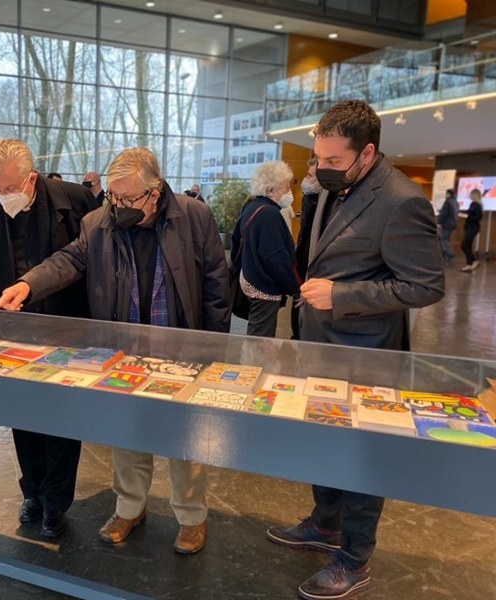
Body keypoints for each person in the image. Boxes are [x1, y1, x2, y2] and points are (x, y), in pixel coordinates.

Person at [0, 147, 231, 555]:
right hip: (125, 353)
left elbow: (216, 285)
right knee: (128, 435)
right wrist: (28, 284)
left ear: (155, 192)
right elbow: (67, 260)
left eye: (128, 198)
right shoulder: (97, 222)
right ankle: (129, 507)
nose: (118, 205)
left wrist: (213, 349)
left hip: (182, 348)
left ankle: (191, 516)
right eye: (113, 197)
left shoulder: (194, 217)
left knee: (185, 441)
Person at [266, 100, 444, 600]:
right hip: (321, 347)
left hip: (368, 354)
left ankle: (355, 558)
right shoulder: (331, 185)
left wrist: (342, 296)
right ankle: (325, 525)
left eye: (333, 161)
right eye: (317, 159)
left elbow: (425, 286)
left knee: (363, 455)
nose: (321, 169)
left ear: (367, 153)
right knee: (325, 442)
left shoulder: (402, 200)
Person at [0, 138, 96, 539]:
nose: (2, 196)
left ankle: (56, 501)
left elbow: (90, 263)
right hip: (9, 333)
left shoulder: (75, 201)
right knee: (22, 419)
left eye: (8, 188)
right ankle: (32, 490)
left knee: (63, 420)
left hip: (68, 328)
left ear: (31, 177)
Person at [229, 161, 300, 338]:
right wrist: (296, 288)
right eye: (285, 187)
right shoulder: (269, 214)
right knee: (261, 338)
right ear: (270, 191)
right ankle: (255, 365)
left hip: (250, 278)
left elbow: (236, 243)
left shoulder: (251, 207)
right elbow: (276, 257)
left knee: (257, 334)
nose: (289, 191)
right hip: (263, 285)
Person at [292, 157, 322, 340]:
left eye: (311, 176)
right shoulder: (309, 199)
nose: (307, 180)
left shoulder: (326, 206)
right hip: (302, 271)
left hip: (312, 276)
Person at [460, 189, 483, 272]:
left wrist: (467, 216)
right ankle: (469, 264)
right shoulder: (473, 204)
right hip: (470, 227)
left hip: (472, 227)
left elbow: (477, 217)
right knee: (468, 246)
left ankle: (474, 261)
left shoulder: (476, 205)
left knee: (464, 245)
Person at [436, 188, 458, 263]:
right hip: (452, 224)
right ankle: (445, 255)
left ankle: (449, 253)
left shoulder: (447, 202)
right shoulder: (455, 202)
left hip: (446, 224)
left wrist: (439, 223)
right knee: (445, 239)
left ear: (448, 194)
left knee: (443, 239)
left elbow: (443, 214)